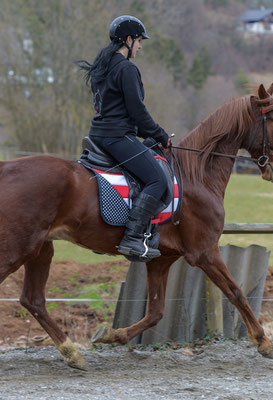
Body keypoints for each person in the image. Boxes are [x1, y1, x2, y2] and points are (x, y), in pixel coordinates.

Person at [77, 15, 171, 260]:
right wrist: (160, 135)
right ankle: (132, 237)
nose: (140, 47)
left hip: (98, 135)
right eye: (139, 41)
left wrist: (145, 134)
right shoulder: (126, 68)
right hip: (117, 137)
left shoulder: (103, 66)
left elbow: (118, 111)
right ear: (128, 40)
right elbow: (137, 112)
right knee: (157, 180)